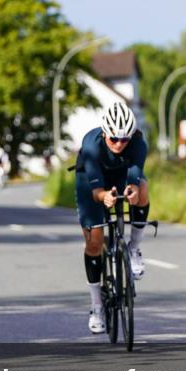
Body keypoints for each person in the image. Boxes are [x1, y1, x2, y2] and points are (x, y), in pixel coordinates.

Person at [75, 102, 150, 334]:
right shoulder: (91, 145)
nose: (119, 144)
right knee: (95, 242)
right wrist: (104, 196)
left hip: (119, 173)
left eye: (124, 139)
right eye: (114, 139)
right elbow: (97, 191)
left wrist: (133, 191)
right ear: (105, 133)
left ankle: (134, 248)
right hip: (91, 179)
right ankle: (97, 306)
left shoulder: (138, 143)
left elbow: (135, 177)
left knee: (143, 189)